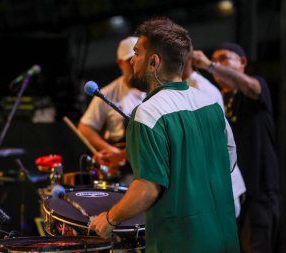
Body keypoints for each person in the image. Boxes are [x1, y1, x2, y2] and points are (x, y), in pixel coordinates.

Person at [89, 17, 240, 252]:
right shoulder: (211, 105)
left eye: (137, 53)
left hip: (180, 243)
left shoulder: (147, 114)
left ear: (154, 62)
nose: (132, 59)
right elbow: (229, 161)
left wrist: (109, 218)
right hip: (225, 238)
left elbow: (147, 189)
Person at [192, 42, 280, 253]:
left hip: (259, 192)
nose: (216, 63)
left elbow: (251, 87)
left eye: (223, 58)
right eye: (214, 59)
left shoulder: (255, 87)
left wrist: (208, 64)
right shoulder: (215, 99)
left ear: (242, 62)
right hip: (230, 194)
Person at [182, 50, 246, 218]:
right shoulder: (176, 89)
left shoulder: (202, 89)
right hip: (206, 189)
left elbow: (209, 143)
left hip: (218, 190)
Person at [78, 36, 146, 181]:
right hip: (123, 170)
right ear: (119, 63)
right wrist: (109, 149)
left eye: (138, 57)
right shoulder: (107, 93)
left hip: (149, 163)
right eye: (129, 60)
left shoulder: (156, 89)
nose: (134, 63)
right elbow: (85, 127)